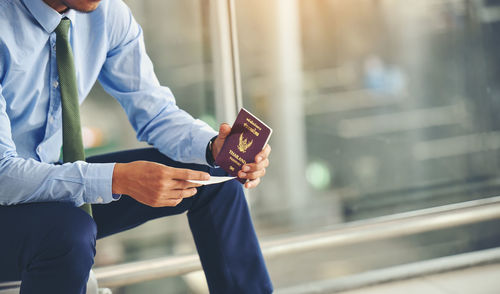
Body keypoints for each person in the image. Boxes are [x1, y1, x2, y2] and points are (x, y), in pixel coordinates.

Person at [0, 0, 273, 293]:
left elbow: (155, 112)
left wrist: (212, 147)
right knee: (68, 232)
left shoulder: (107, 14)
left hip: (49, 188)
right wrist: (118, 179)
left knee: (211, 178)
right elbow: (3, 175)